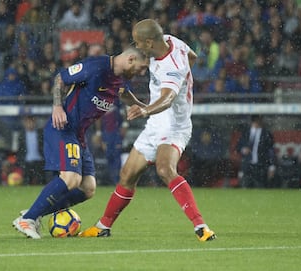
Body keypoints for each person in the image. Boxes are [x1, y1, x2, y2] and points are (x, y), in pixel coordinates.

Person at [79, 19, 216, 242]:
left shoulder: (172, 67)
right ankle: (103, 226)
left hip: (174, 126)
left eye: (139, 42)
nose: (136, 45)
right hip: (155, 124)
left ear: (150, 42)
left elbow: (168, 99)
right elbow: (193, 57)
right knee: (127, 175)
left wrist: (145, 110)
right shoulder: (172, 41)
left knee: (164, 169)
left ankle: (201, 227)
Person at [12, 46, 148, 239]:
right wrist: (57, 107)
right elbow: (60, 78)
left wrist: (144, 107)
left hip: (79, 135)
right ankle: (28, 219)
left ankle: (34, 212)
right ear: (131, 59)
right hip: (63, 127)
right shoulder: (95, 66)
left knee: (88, 187)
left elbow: (123, 92)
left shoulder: (119, 77)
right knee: (71, 178)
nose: (142, 73)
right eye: (142, 68)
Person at [236, 115, 276, 188]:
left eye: (258, 120)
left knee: (260, 187)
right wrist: (243, 150)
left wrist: (272, 166)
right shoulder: (246, 132)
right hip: (247, 165)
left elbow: (271, 151)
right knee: (245, 187)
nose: (257, 122)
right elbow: (238, 147)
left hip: (261, 165)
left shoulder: (266, 134)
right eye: (255, 120)